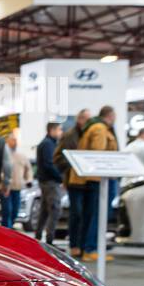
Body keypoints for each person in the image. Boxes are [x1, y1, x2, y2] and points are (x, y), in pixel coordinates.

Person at [68, 105, 118, 262]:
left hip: (94, 179)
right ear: (110, 115)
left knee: (91, 215)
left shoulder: (94, 127)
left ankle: (87, 248)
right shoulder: (100, 129)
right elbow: (98, 155)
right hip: (98, 179)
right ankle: (90, 248)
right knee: (98, 215)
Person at [56, 108, 92, 256]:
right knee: (76, 213)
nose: (87, 122)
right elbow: (58, 157)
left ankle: (84, 246)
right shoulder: (70, 135)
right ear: (79, 119)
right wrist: (73, 165)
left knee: (88, 214)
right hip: (74, 181)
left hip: (90, 180)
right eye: (85, 118)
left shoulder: (92, 134)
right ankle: (75, 244)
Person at [34, 121, 64, 245]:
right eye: (59, 130)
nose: (60, 132)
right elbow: (48, 164)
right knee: (54, 210)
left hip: (46, 181)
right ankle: (49, 239)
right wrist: (60, 177)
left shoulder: (47, 143)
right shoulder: (48, 144)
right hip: (50, 182)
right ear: (52, 130)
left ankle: (38, 236)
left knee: (45, 211)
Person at [0, 131, 33, 228]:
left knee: (15, 210)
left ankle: (9, 226)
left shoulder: (22, 156)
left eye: (15, 140)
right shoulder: (3, 155)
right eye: (12, 140)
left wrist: (28, 180)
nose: (14, 142)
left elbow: (29, 169)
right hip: (6, 188)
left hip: (17, 187)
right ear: (7, 141)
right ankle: (6, 229)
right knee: (7, 210)